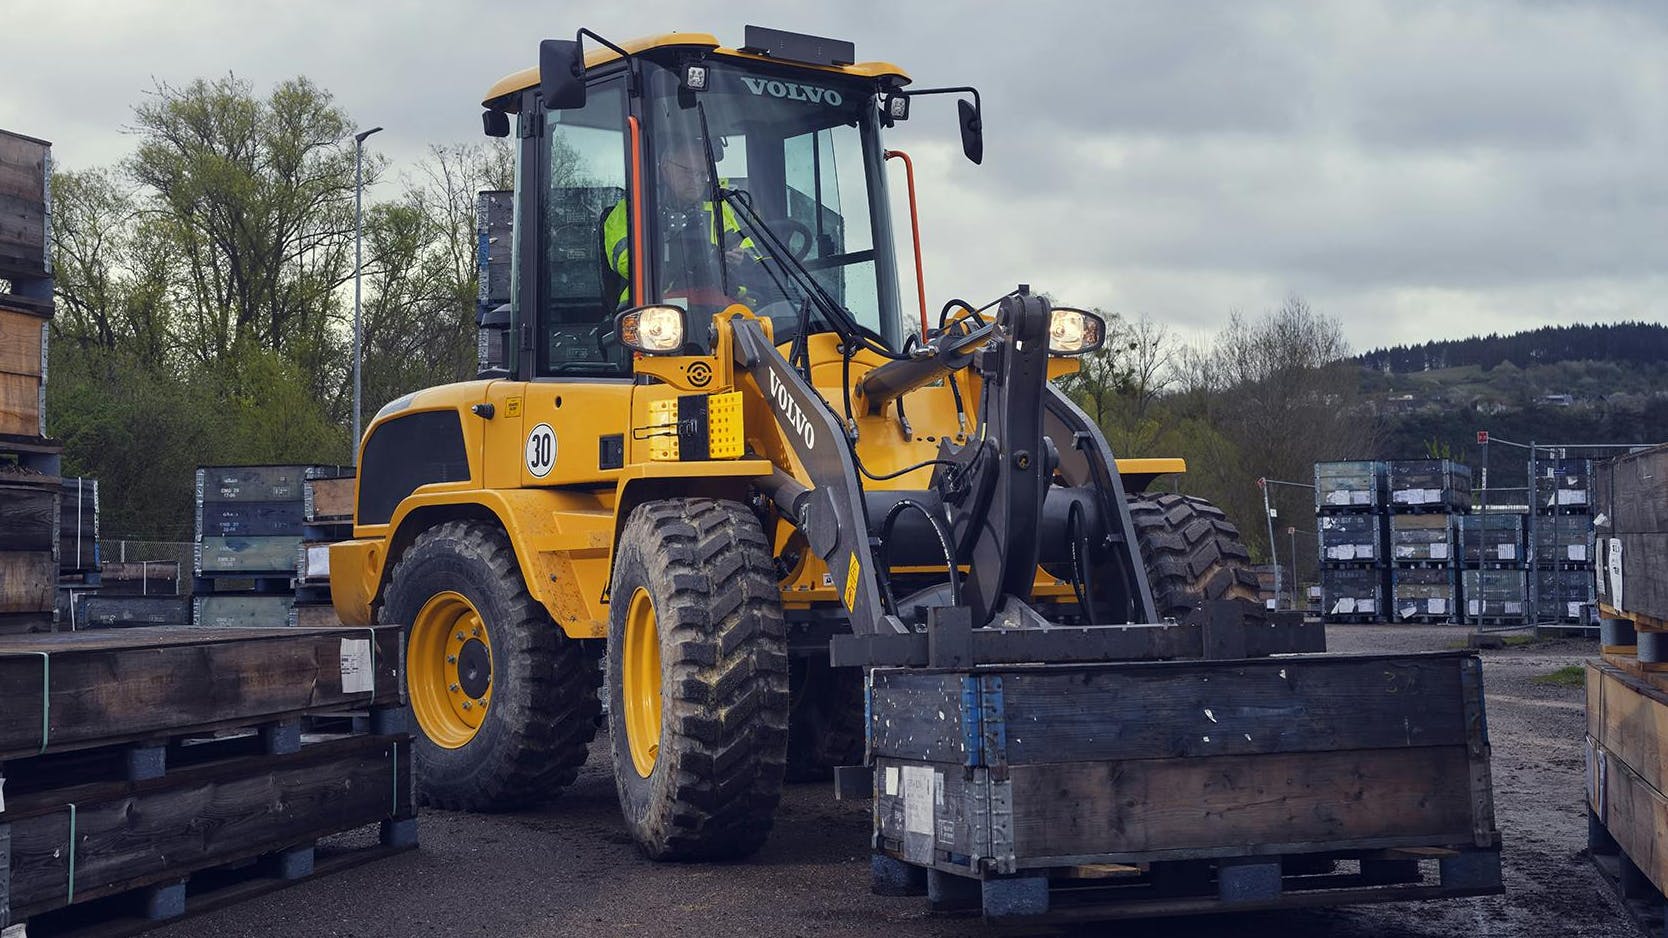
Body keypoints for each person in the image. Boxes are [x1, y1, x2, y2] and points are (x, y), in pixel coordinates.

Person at [601, 139, 765, 308]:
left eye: (702, 174)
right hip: (652, 303)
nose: (696, 180)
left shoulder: (717, 206)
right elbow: (626, 261)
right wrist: (691, 258)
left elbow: (750, 253)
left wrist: (739, 258)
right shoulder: (634, 207)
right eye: (688, 172)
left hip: (716, 300)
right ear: (665, 167)